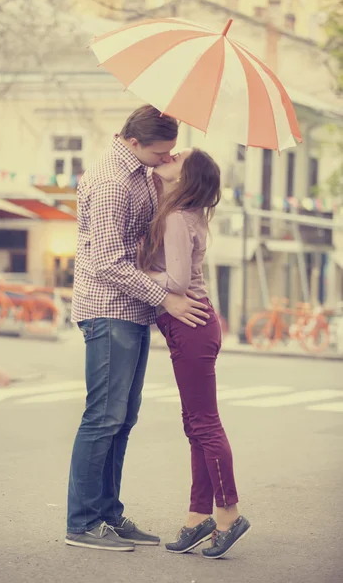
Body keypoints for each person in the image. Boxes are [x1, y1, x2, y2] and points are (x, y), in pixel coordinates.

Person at [65, 106, 210, 552]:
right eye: (161, 151)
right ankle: (83, 523)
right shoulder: (112, 182)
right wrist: (166, 297)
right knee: (103, 416)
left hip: (132, 308)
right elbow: (109, 261)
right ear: (133, 142)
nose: (167, 158)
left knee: (123, 418)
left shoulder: (139, 173)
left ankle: (108, 513)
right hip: (110, 308)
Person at [138, 148, 251, 559]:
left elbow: (179, 281)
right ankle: (197, 516)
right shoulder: (185, 213)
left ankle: (229, 513)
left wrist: (139, 268)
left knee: (203, 424)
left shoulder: (175, 218)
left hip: (191, 325)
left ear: (187, 177)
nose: (170, 154)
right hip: (196, 326)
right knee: (195, 425)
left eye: (179, 156)